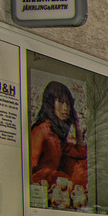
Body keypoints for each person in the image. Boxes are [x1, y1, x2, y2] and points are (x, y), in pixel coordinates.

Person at [29, 80, 87, 208]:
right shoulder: (42, 130)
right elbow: (29, 167)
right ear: (50, 103)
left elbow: (80, 153)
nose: (65, 108)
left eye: (68, 103)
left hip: (58, 189)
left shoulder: (57, 134)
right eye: (60, 102)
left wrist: (77, 128)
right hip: (43, 189)